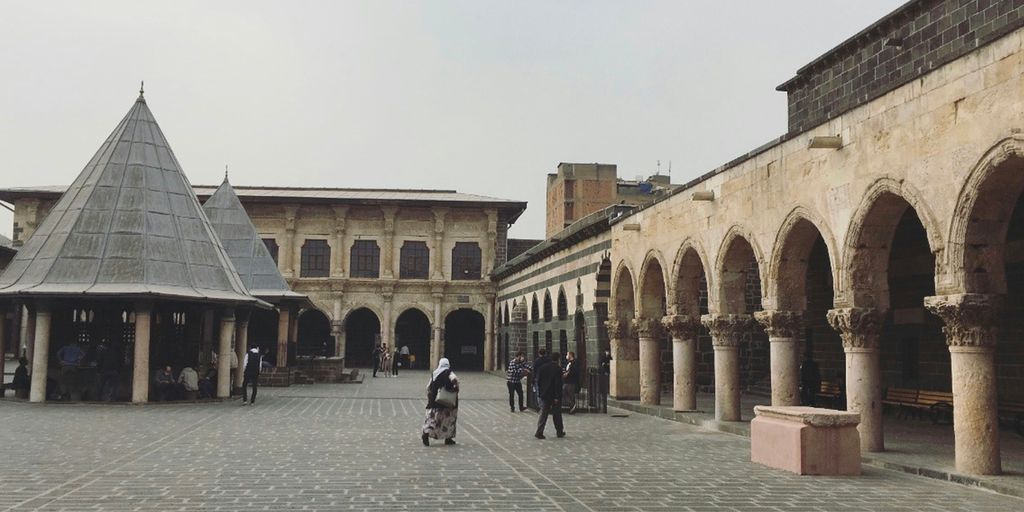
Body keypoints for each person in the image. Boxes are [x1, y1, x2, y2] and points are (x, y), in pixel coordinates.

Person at [422, 358, 459, 446]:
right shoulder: (449, 372)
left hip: (434, 401)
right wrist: (455, 389)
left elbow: (428, 387)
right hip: (447, 402)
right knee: (448, 420)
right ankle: (448, 438)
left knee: (432, 419)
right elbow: (455, 380)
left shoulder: (435, 373)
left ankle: (426, 434)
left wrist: (430, 396)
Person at [535, 352, 565, 439]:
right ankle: (559, 431)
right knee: (557, 414)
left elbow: (539, 381)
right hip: (554, 394)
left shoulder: (543, 368)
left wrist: (541, 392)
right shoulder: (558, 369)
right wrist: (556, 396)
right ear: (558, 359)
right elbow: (557, 384)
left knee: (543, 413)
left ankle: (539, 431)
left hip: (545, 394)